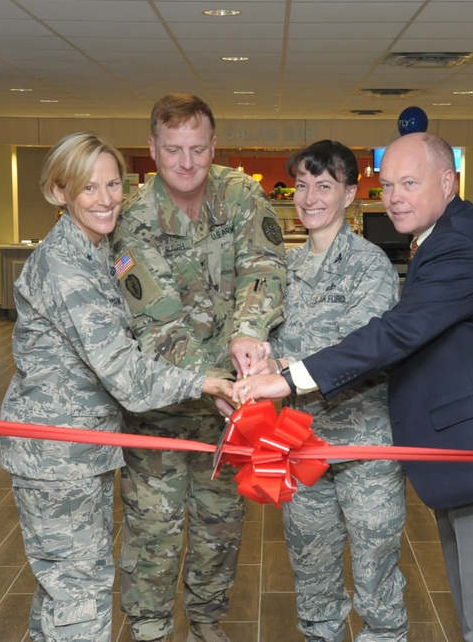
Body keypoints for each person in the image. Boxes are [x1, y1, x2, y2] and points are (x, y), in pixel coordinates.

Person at [234, 132, 473, 642]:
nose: (394, 197)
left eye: (409, 183)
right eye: (388, 184)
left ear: (448, 181)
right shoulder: (445, 238)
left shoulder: (458, 244)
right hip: (463, 459)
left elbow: (393, 336)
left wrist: (288, 379)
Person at [0, 131, 235, 642]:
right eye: (89, 189)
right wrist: (206, 380)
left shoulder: (97, 250)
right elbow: (123, 371)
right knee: (80, 592)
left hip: (85, 449)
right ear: (59, 192)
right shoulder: (65, 265)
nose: (106, 200)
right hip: (58, 454)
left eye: (113, 185)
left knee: (63, 587)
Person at [112, 93, 286, 642]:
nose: (186, 164)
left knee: (220, 529)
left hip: (230, 412)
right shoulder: (132, 220)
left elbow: (265, 263)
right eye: (173, 151)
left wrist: (249, 333)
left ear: (214, 147)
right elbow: (157, 323)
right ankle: (149, 629)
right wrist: (212, 382)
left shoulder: (241, 193)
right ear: (152, 150)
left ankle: (207, 622)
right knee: (153, 531)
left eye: (197, 149)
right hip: (163, 412)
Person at [263, 140, 408, 641]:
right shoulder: (283, 269)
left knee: (376, 580)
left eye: (324, 186)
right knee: (313, 577)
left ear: (350, 195)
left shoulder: (371, 266)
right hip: (301, 446)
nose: (309, 198)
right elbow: (261, 338)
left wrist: (282, 365)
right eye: (302, 186)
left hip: (364, 445)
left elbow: (362, 349)